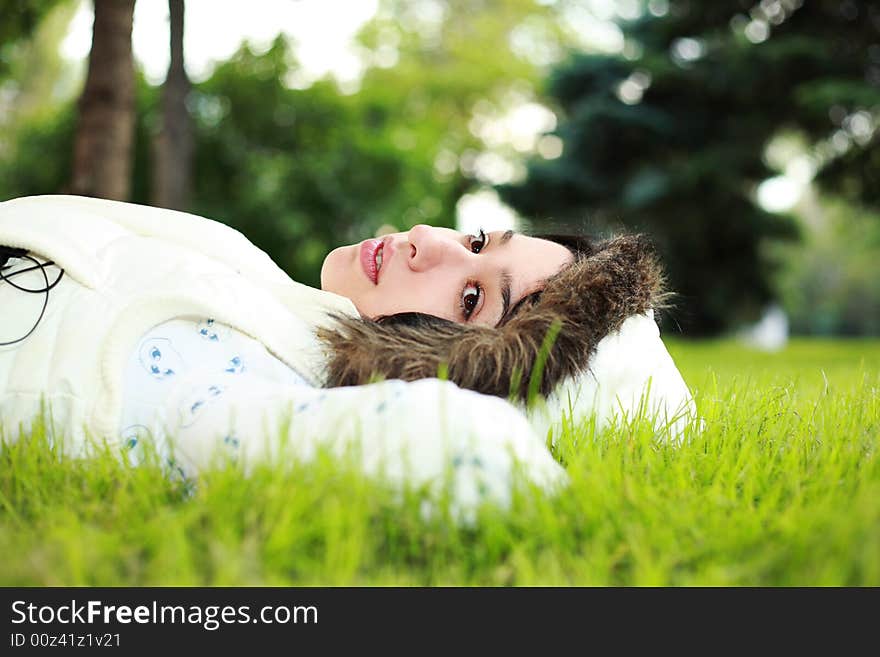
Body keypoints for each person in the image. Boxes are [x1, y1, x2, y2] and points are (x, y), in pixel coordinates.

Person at [0, 194, 696, 514]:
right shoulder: (284, 305)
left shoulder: (260, 380)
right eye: (481, 242)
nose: (429, 239)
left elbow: (431, 442)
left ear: (464, 374)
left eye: (471, 300)